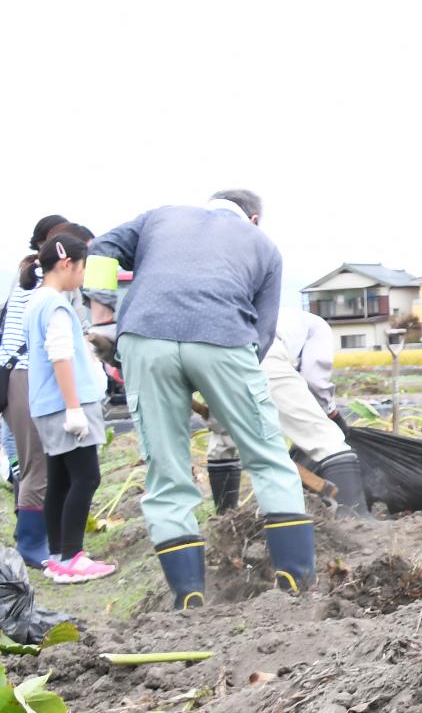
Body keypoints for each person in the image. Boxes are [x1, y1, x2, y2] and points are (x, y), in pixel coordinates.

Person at [84, 191, 311, 610]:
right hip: (224, 338)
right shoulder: (263, 245)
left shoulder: (160, 217)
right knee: (267, 458)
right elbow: (262, 334)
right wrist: (234, 395)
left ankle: (188, 599)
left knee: (166, 471)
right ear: (254, 219)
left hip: (144, 337)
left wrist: (103, 316)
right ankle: (295, 588)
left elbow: (101, 247)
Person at [205, 308, 369, 517]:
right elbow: (314, 379)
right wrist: (331, 413)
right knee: (325, 438)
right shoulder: (317, 325)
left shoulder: (264, 313)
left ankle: (226, 517)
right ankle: (355, 518)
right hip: (262, 351)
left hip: (214, 352)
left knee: (224, 437)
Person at [22, 232, 116, 583]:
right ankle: (73, 556)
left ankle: (59, 556)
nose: (83, 275)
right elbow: (60, 356)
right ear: (66, 264)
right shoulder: (57, 306)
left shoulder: (37, 301)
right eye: (82, 267)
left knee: (60, 480)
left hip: (46, 405)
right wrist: (74, 408)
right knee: (86, 477)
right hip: (66, 405)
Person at [4, 214, 74, 568]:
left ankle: (40, 538)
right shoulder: (40, 281)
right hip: (25, 374)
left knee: (36, 461)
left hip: (19, 375)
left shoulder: (32, 275)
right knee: (38, 464)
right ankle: (32, 545)